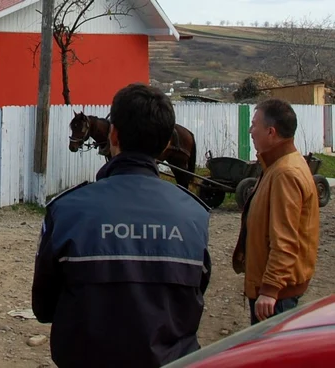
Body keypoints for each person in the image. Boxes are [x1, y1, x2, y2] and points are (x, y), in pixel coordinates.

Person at [31, 83, 212, 368]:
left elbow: (43, 307)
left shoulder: (66, 210)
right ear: (167, 143)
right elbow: (195, 297)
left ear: (113, 135)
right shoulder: (195, 215)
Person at [232, 98, 320, 325]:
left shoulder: (285, 174)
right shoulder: (276, 165)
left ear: (271, 132)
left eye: (254, 125)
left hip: (278, 295)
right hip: (277, 290)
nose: (250, 131)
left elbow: (286, 239)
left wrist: (270, 289)